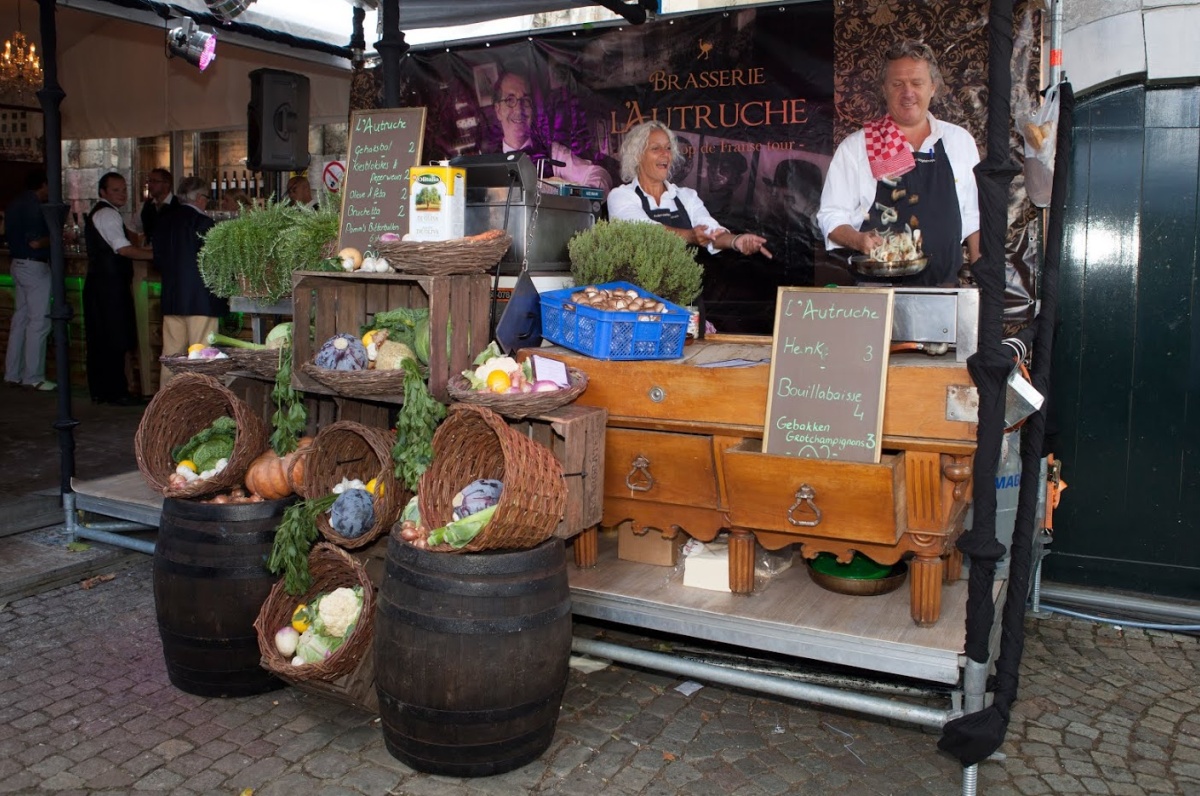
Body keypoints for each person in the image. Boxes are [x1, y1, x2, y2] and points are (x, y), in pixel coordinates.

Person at [817, 39, 980, 286]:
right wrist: (858, 240)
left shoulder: (959, 142)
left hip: (944, 290)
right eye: (897, 84)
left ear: (933, 87)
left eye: (917, 83)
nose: (908, 93)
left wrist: (984, 279)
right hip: (877, 294)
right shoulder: (856, 147)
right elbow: (831, 216)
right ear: (883, 89)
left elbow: (974, 217)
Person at [607, 120, 771, 259]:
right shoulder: (621, 196)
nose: (666, 154)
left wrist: (736, 241)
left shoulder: (687, 196)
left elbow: (711, 231)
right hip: (637, 294)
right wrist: (690, 236)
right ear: (637, 156)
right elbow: (643, 230)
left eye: (669, 148)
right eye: (656, 148)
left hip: (683, 291)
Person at [84, 171, 153, 406]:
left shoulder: (108, 213)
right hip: (108, 285)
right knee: (113, 336)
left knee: (103, 337)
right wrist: (157, 255)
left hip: (102, 283)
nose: (122, 193)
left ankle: (103, 391)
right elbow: (123, 249)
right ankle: (115, 392)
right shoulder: (106, 214)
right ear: (103, 192)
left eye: (124, 189)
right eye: (116, 190)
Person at [153, 177, 229, 386]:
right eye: (206, 197)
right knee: (203, 357)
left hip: (172, 299)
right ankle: (201, 403)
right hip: (201, 300)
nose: (206, 202)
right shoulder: (205, 223)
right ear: (198, 198)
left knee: (171, 358)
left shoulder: (165, 220)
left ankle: (166, 405)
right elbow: (217, 262)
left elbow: (157, 258)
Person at [489, 70, 612, 192]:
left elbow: (599, 174)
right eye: (510, 100)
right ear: (498, 110)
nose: (518, 109)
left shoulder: (552, 152)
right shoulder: (487, 160)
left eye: (525, 101)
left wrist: (585, 195)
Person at [4, 170, 55, 391]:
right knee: (39, 323)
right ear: (43, 184)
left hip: (17, 263)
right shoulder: (34, 205)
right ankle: (33, 376)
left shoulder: (15, 203)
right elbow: (35, 242)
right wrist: (55, 237)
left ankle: (12, 373)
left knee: (20, 321)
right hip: (34, 265)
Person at [139, 168, 178, 246]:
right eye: (149, 181)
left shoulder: (179, 205)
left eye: (154, 181)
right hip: (150, 253)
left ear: (167, 184)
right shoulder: (147, 206)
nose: (150, 185)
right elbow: (132, 227)